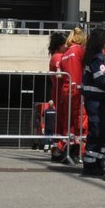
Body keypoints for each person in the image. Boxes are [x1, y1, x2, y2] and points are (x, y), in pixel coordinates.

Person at [79, 26, 105, 177]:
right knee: (97, 130)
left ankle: (98, 160)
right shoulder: (97, 58)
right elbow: (102, 80)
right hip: (95, 101)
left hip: (99, 100)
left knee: (104, 131)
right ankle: (90, 163)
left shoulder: (98, 56)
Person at [56, 27, 85, 164]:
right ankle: (79, 151)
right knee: (80, 121)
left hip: (66, 89)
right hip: (78, 90)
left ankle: (66, 149)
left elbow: (60, 73)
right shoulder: (80, 51)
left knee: (68, 123)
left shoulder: (65, 54)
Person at [46, 31, 69, 162]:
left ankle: (58, 149)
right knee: (62, 123)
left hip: (59, 93)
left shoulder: (58, 56)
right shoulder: (58, 57)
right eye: (66, 44)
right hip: (60, 94)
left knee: (61, 124)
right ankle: (59, 149)